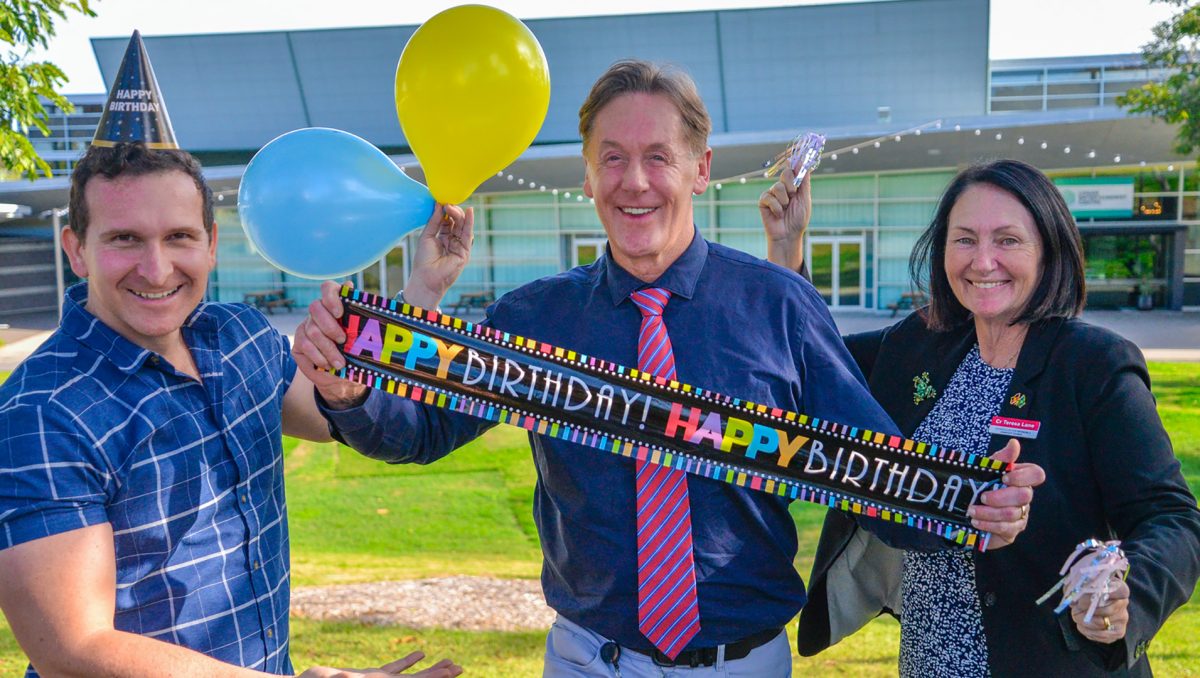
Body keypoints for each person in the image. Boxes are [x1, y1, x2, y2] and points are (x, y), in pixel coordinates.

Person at [293, 60, 1040, 677]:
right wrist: (350, 392)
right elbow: (416, 433)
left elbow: (875, 476)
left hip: (742, 662)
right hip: (590, 659)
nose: (635, 181)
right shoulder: (535, 317)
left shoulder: (779, 305)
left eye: (658, 157)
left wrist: (970, 505)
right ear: (587, 175)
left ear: (700, 169)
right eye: (612, 158)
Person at [0, 143, 463, 678]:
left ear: (212, 244)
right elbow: (73, 650)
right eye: (125, 239)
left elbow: (341, 415)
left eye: (179, 237)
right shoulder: (41, 414)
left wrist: (422, 293)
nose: (156, 269)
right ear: (76, 250)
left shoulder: (237, 336)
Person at [759, 158, 1200, 676]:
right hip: (930, 661)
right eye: (964, 239)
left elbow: (1171, 518)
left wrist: (1125, 592)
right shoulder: (920, 343)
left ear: (1048, 250)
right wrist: (787, 248)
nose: (983, 261)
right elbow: (815, 361)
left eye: (1008, 240)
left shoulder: (1093, 364)